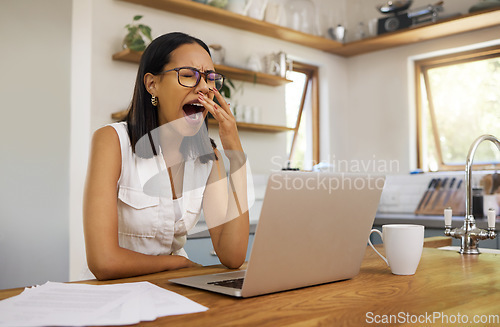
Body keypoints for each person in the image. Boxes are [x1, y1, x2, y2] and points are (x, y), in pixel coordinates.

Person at [83, 32, 249, 280]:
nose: (204, 87)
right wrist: (176, 264)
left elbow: (232, 256)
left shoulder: (208, 157)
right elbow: (104, 262)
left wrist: (236, 156)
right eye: (188, 75)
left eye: (210, 79)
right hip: (116, 294)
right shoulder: (112, 141)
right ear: (152, 84)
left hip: (174, 290)